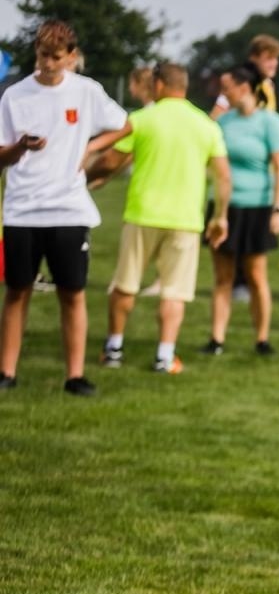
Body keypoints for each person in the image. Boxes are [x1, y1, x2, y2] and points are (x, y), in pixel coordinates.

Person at [0, 19, 128, 396]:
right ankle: (6, 371)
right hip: (22, 208)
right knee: (17, 290)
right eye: (42, 56)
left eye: (56, 57)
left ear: (71, 56)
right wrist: (21, 147)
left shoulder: (87, 92)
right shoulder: (15, 96)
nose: (48, 64)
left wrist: (90, 148)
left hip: (69, 209)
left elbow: (125, 126)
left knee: (72, 292)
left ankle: (75, 375)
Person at [83, 62, 230, 375]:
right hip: (186, 220)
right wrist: (221, 217)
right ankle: (165, 356)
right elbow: (223, 177)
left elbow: (111, 158)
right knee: (175, 291)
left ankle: (114, 348)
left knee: (125, 284)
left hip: (142, 214)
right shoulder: (206, 125)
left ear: (159, 85)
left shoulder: (142, 119)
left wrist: (86, 178)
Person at [202, 65, 279, 355]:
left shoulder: (270, 123)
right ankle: (216, 340)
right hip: (225, 207)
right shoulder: (224, 122)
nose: (223, 93)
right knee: (223, 277)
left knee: (255, 276)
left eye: (227, 87)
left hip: (257, 208)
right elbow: (206, 144)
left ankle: (262, 339)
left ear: (245, 87)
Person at [210, 34, 279, 117]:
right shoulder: (238, 81)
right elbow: (216, 115)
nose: (274, 63)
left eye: (275, 58)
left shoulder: (269, 85)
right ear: (253, 57)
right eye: (269, 58)